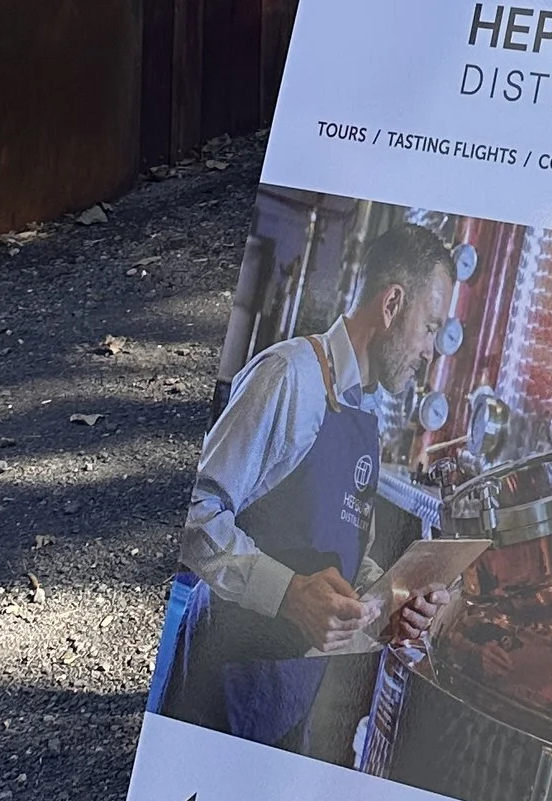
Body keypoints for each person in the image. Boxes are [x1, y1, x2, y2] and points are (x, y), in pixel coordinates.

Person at [159, 218, 458, 749]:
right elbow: (192, 512)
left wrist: (395, 601)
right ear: (391, 305)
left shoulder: (365, 416)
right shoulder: (289, 376)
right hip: (220, 687)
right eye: (431, 326)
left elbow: (341, 556)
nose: (432, 351)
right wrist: (290, 594)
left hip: (290, 701)